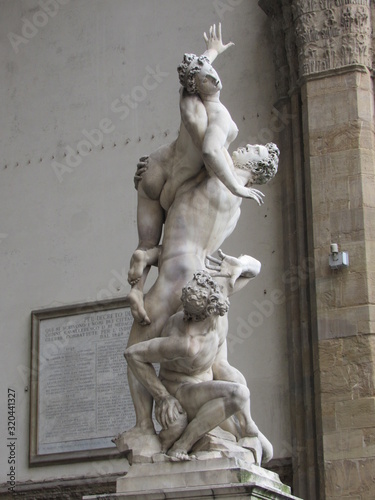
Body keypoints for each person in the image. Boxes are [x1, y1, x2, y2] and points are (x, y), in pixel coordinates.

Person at [122, 142, 279, 445]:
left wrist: (149, 178)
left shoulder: (216, 178)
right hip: (202, 277)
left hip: (175, 274)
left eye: (254, 150)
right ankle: (247, 429)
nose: (247, 146)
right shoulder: (234, 202)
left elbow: (199, 150)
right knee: (218, 365)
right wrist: (244, 263)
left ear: (257, 168)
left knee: (137, 347)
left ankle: (144, 426)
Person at [127, 25, 264, 323]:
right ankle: (141, 282)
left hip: (156, 168)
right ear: (199, 85)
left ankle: (136, 290)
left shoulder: (187, 100)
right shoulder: (218, 116)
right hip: (174, 182)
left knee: (146, 245)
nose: (214, 77)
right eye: (207, 77)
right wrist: (237, 188)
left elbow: (195, 70)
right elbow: (211, 153)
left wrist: (212, 51)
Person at [125, 252, 273, 462]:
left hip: (208, 381)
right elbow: (132, 354)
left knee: (266, 451)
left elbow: (255, 268)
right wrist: (163, 397)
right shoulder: (186, 343)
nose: (217, 318)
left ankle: (249, 430)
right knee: (239, 394)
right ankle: (182, 445)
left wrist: (240, 264)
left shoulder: (218, 299)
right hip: (184, 391)